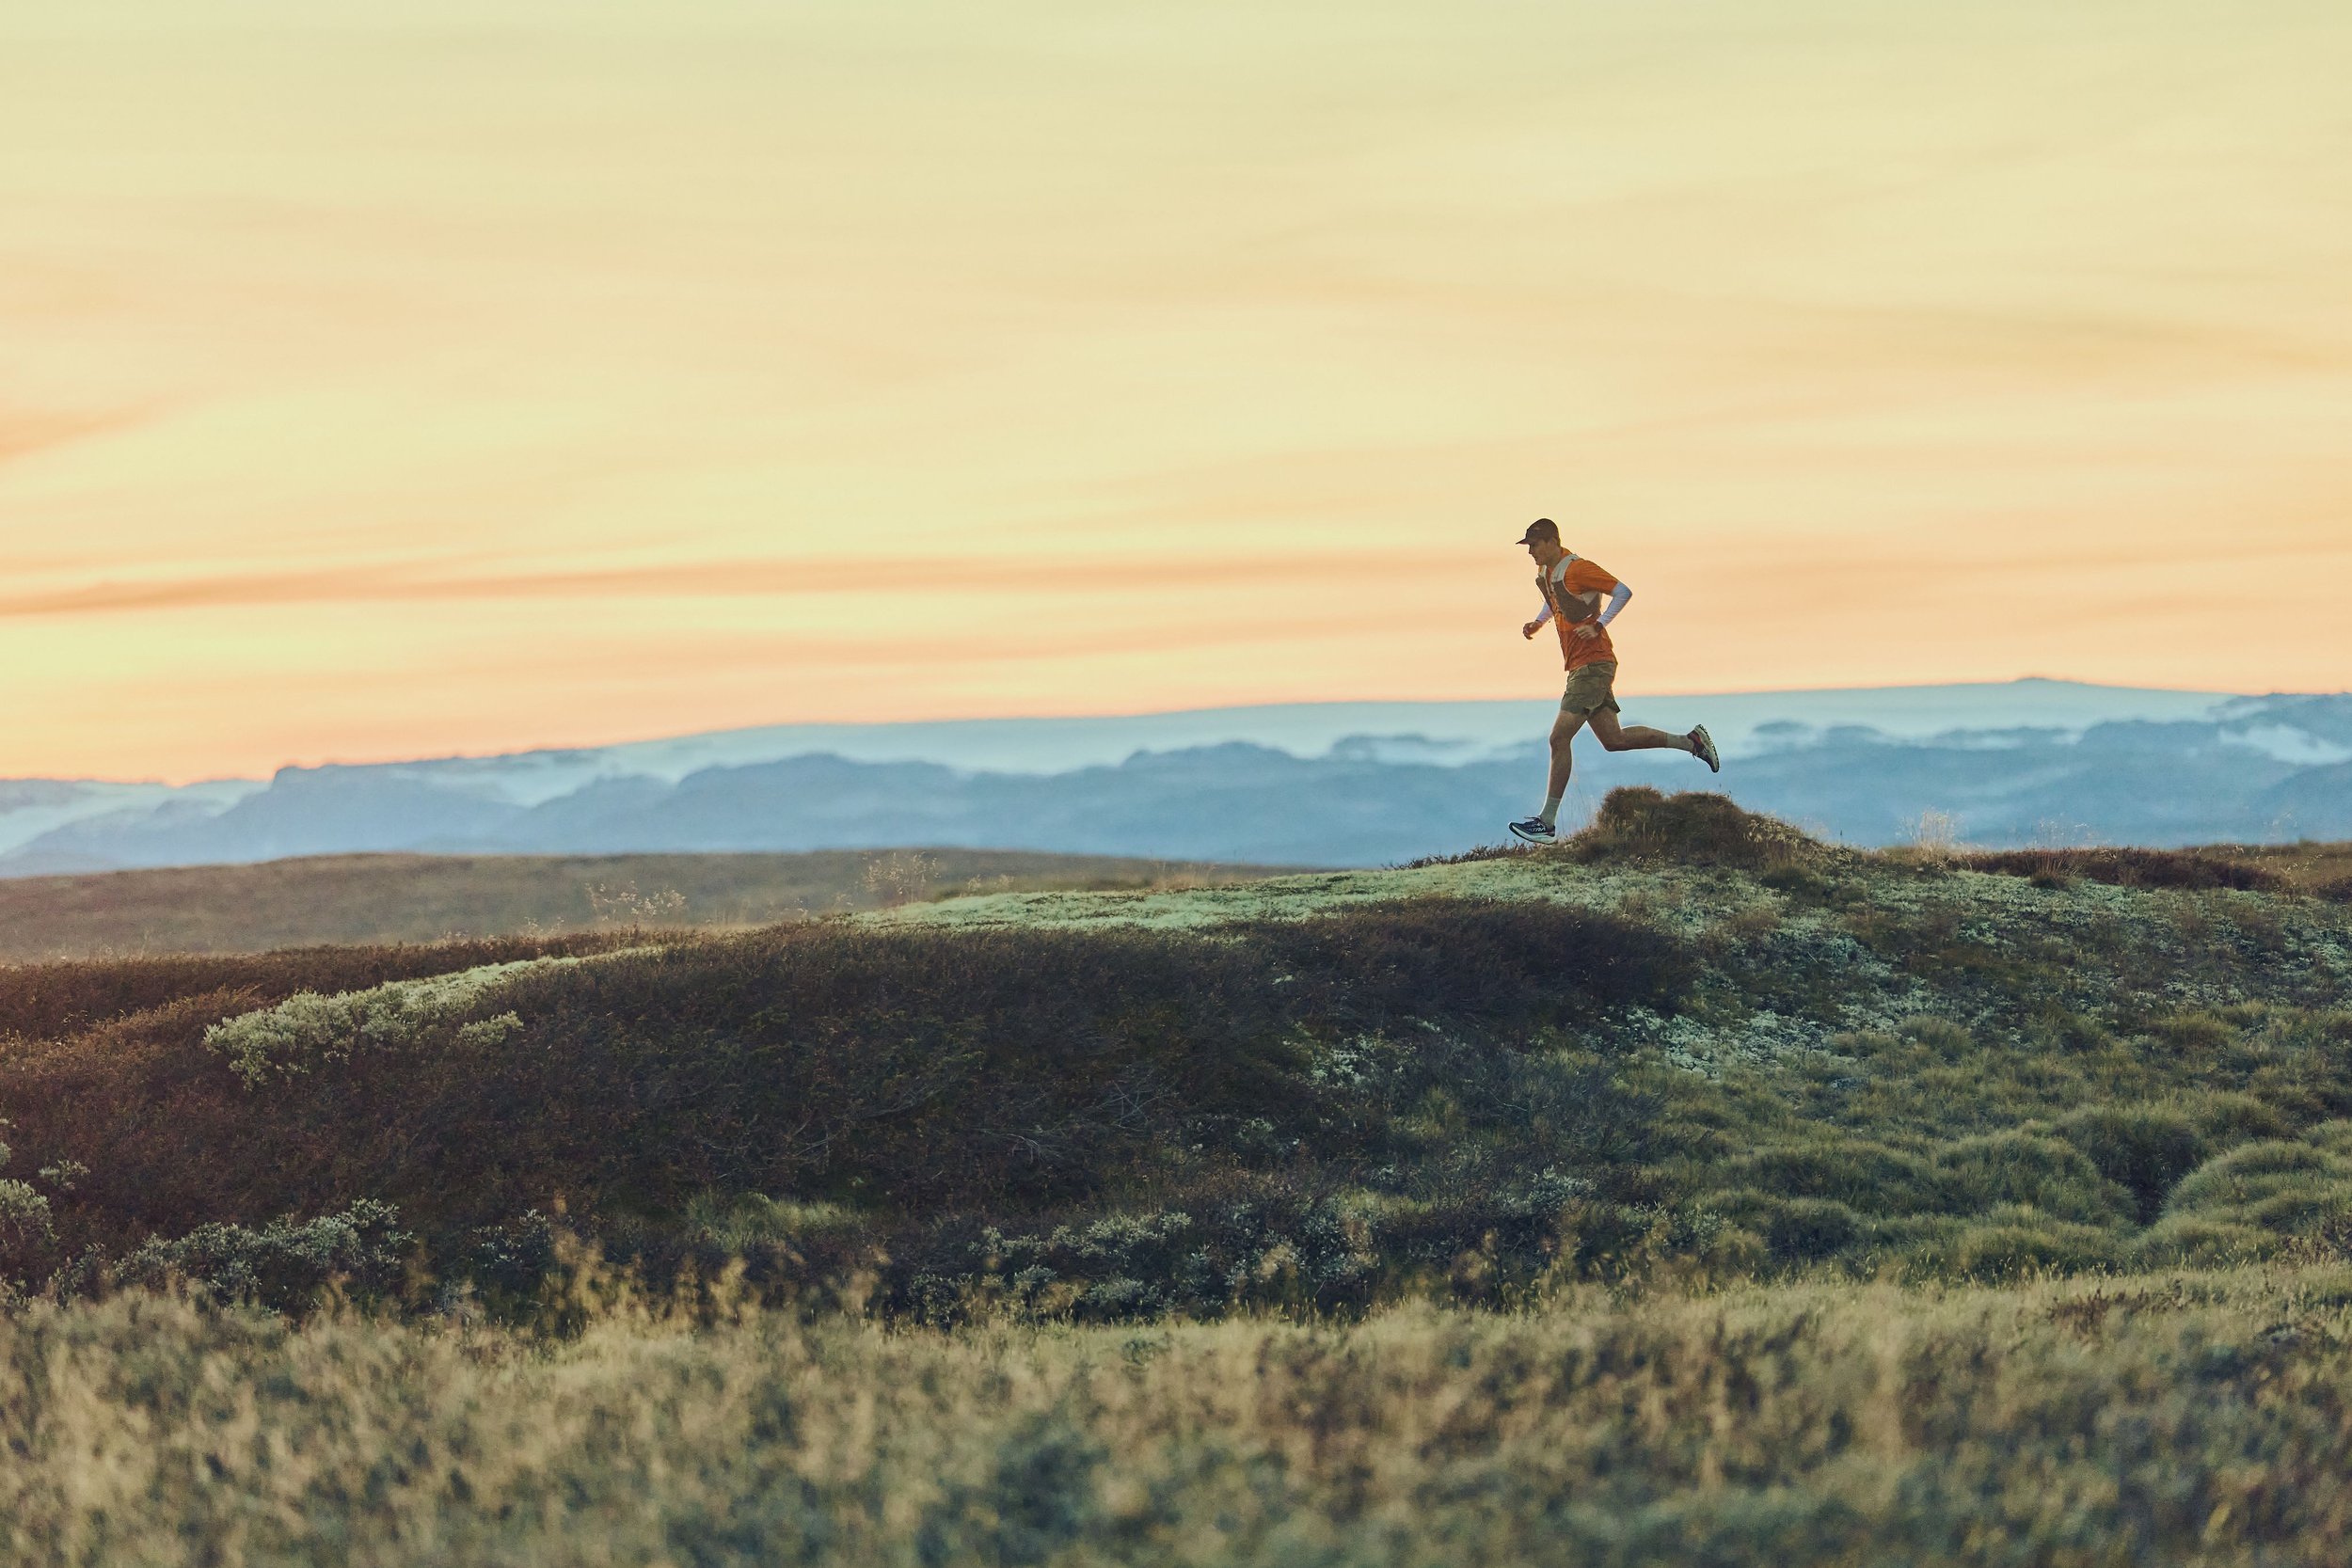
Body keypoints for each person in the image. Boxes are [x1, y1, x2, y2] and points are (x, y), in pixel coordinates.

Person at [1508, 517, 1718, 845]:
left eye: (1533, 545)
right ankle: (1692, 741)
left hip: (1593, 665)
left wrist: (1600, 624)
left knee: (1558, 738)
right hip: (1582, 666)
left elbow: (1623, 591)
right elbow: (1554, 601)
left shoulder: (1578, 568)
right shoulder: (1547, 573)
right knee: (1613, 740)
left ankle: (1546, 823)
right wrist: (1537, 623)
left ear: (1550, 542)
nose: (1530, 552)